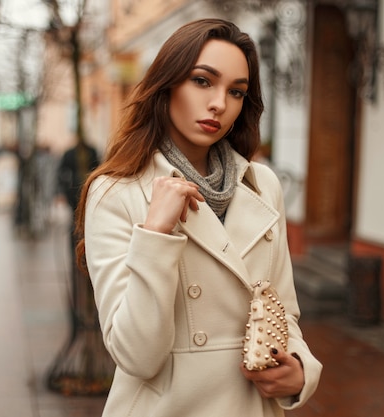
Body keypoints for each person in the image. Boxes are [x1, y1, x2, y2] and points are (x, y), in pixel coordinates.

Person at [74, 18, 322, 417]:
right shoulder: (116, 191)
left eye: (236, 91)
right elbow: (135, 356)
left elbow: (280, 309)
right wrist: (155, 233)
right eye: (203, 81)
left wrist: (300, 371)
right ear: (168, 84)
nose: (220, 104)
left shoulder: (261, 184)